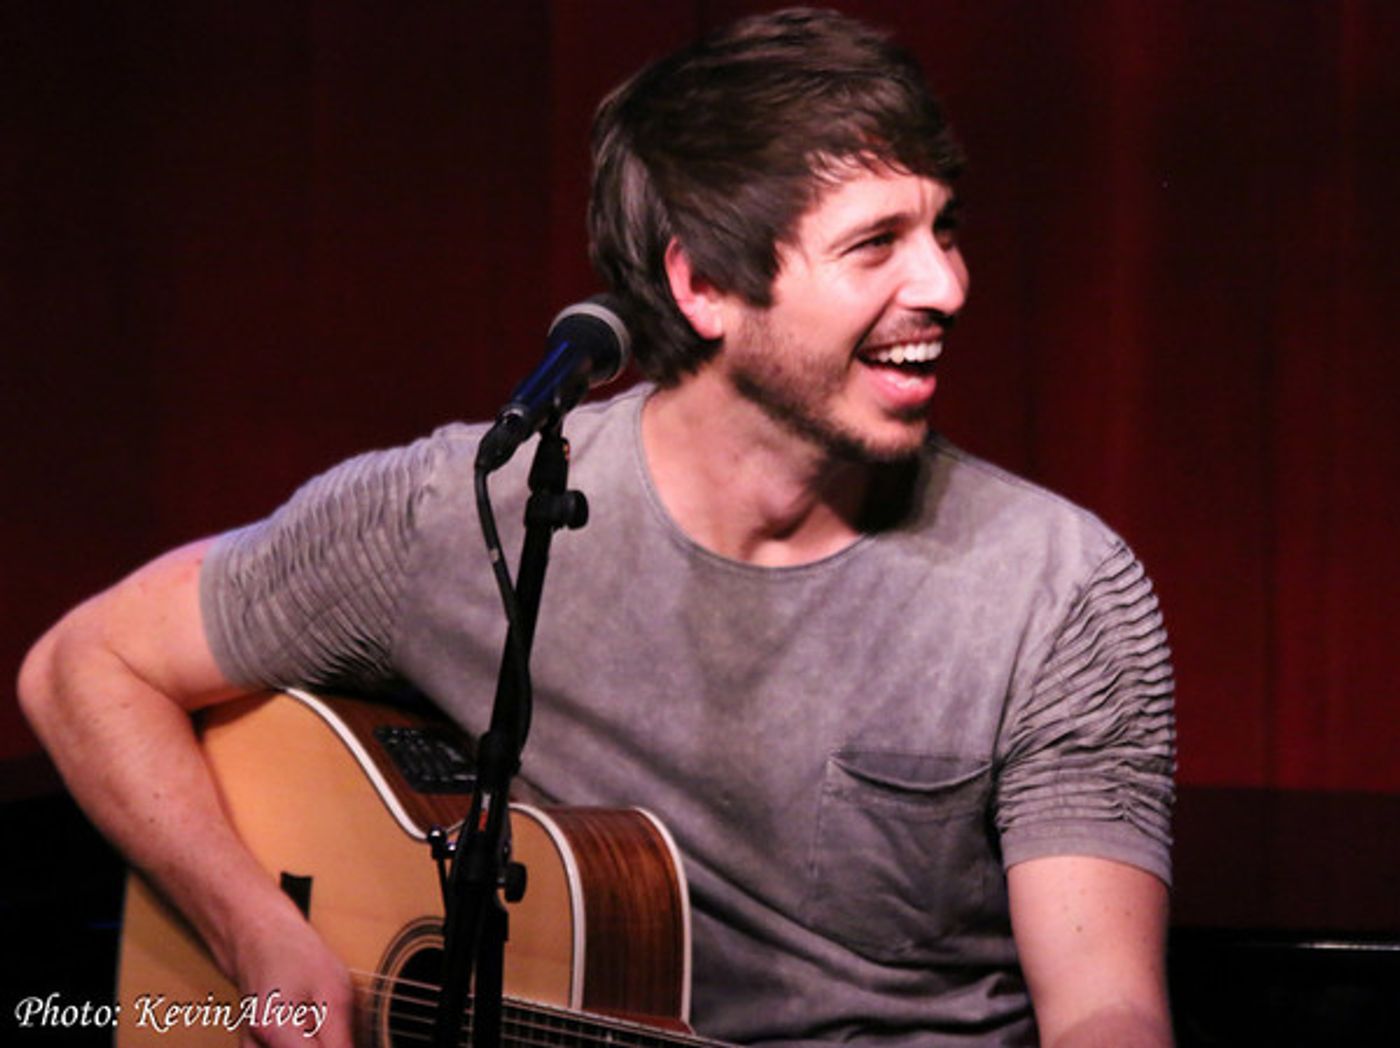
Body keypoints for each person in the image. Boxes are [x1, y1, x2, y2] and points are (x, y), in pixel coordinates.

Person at [18, 8, 1176, 1047]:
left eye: (943, 229)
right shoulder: (467, 511)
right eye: (875, 244)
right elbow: (85, 665)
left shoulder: (1056, 590)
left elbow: (1104, 1008)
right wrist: (255, 933)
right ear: (701, 285)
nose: (947, 286)